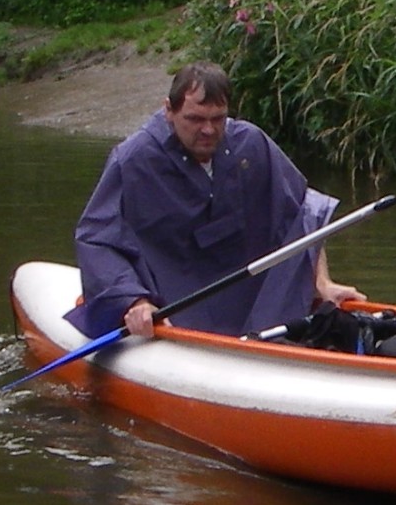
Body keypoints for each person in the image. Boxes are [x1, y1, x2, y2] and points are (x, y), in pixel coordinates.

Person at [71, 62, 359, 341]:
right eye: (195, 119)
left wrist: (321, 283)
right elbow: (97, 238)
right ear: (169, 110)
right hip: (170, 305)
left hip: (253, 306)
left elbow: (303, 215)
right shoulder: (133, 159)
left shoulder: (250, 144)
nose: (208, 130)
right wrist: (134, 301)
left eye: (218, 119)